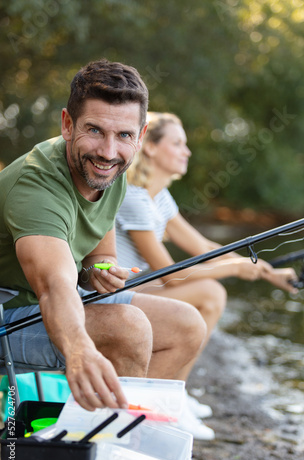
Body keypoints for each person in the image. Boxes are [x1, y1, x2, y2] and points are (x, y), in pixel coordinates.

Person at [0, 61, 207, 414]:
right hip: (9, 315)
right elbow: (53, 286)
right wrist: (79, 351)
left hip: (46, 305)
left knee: (186, 326)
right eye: (95, 130)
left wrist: (100, 271)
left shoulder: (109, 172)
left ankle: (118, 429)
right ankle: (102, 446)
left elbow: (99, 256)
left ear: (140, 137)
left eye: (124, 135)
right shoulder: (36, 186)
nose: (108, 151)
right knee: (128, 329)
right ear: (68, 124)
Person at [115, 111, 298, 439]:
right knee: (211, 293)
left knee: (212, 293)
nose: (187, 151)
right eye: (178, 143)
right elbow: (170, 275)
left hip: (140, 291)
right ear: (152, 148)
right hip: (116, 299)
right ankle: (172, 395)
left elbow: (203, 246)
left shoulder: (160, 198)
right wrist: (234, 269)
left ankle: (176, 392)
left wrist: (268, 273)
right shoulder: (133, 197)